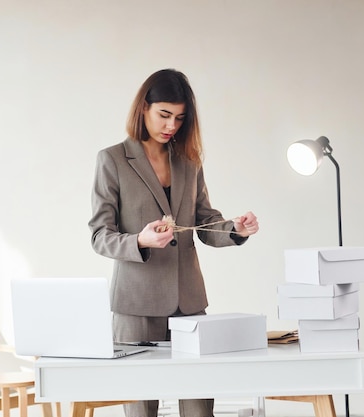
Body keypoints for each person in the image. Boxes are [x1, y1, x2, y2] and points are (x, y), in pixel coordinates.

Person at [88, 69, 259, 417]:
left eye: (179, 118)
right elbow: (99, 235)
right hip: (135, 306)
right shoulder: (113, 160)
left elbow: (205, 222)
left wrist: (236, 230)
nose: (171, 126)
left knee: (199, 410)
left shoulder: (188, 162)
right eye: (163, 115)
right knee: (141, 411)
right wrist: (140, 240)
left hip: (189, 303)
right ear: (143, 109)